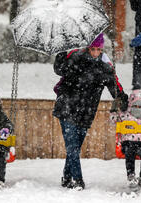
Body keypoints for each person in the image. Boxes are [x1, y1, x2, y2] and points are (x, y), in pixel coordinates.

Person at [53, 33, 129, 190]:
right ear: (88, 48)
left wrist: (122, 98)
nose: (95, 53)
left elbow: (114, 85)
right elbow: (60, 69)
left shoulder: (104, 68)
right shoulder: (75, 58)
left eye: (98, 50)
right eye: (93, 49)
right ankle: (78, 180)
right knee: (72, 147)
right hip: (67, 107)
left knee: (74, 147)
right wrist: (61, 52)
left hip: (86, 112)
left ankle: (67, 177)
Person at [110, 89, 141, 191]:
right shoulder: (126, 115)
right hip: (128, 142)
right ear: (131, 105)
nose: (139, 108)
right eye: (136, 106)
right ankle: (131, 176)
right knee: (130, 152)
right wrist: (113, 111)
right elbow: (113, 120)